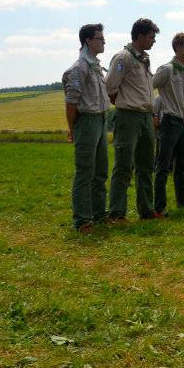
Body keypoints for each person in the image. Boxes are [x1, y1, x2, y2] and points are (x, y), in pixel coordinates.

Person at [106, 17, 159, 222]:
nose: (153, 41)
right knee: (124, 166)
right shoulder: (122, 58)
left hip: (146, 116)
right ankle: (117, 214)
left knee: (146, 166)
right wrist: (124, 104)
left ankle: (146, 210)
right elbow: (110, 88)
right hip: (128, 117)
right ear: (140, 36)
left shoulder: (144, 59)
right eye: (151, 37)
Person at [62, 23, 110, 233]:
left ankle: (99, 214)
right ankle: (82, 220)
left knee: (100, 171)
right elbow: (71, 103)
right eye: (100, 38)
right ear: (88, 41)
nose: (103, 42)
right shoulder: (78, 68)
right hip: (87, 121)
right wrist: (73, 128)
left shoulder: (97, 66)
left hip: (100, 119)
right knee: (85, 172)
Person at [152, 32, 184, 214]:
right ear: (177, 47)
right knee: (163, 166)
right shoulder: (167, 69)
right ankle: (159, 207)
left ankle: (183, 202)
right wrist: (153, 113)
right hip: (170, 121)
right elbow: (149, 87)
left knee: (182, 165)